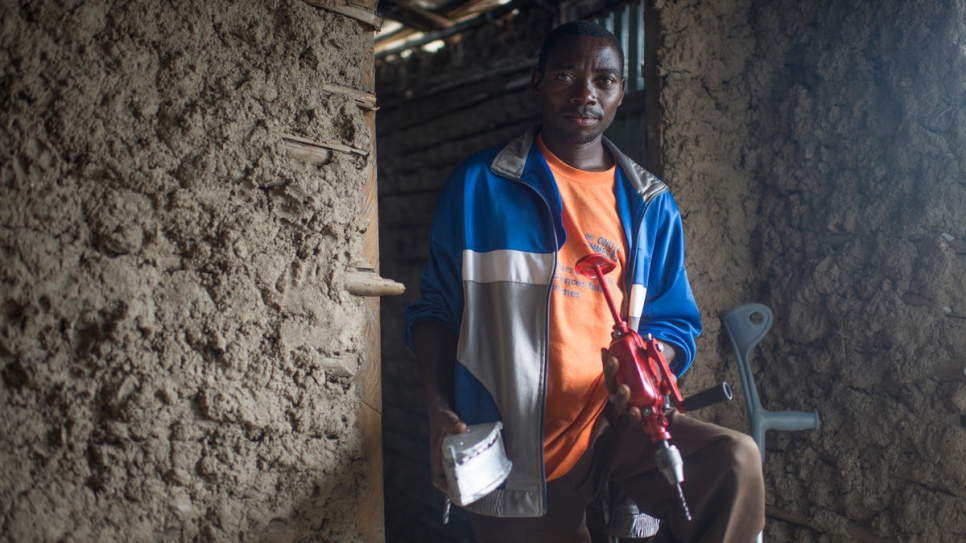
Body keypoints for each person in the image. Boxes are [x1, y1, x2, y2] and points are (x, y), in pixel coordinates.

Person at [403, 20, 765, 543]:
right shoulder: (478, 187)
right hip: (518, 439)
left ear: (621, 92)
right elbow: (435, 310)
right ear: (537, 83)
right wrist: (439, 411)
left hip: (613, 426)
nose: (585, 93)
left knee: (732, 462)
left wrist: (644, 368)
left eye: (604, 79)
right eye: (566, 76)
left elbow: (675, 323)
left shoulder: (650, 205)